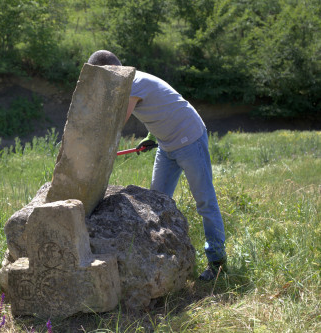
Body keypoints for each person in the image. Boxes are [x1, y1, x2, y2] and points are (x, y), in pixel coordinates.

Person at [88, 50, 227, 281]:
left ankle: (217, 263)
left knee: (204, 201)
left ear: (111, 71)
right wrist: (151, 135)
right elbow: (163, 104)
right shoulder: (133, 82)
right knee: (157, 200)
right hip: (166, 145)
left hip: (190, 139)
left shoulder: (133, 84)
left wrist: (99, 149)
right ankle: (164, 257)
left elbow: (117, 122)